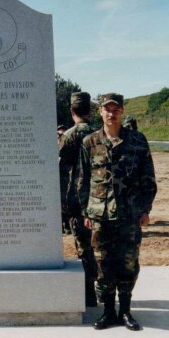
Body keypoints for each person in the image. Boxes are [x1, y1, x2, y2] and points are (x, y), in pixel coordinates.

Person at [76, 93, 157, 330]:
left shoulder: (137, 141)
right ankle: (108, 312)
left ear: (122, 111)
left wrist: (145, 209)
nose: (112, 114)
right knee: (103, 264)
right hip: (100, 216)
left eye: (116, 109)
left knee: (129, 263)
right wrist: (86, 212)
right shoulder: (89, 142)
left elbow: (148, 179)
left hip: (130, 215)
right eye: (107, 109)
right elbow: (82, 180)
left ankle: (126, 311)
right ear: (100, 111)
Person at [59, 92, 98, 307]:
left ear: (72, 111)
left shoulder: (68, 137)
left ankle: (89, 294)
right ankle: (104, 290)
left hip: (75, 199)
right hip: (100, 198)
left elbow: (60, 167)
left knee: (84, 247)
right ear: (90, 110)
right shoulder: (98, 133)